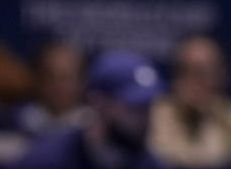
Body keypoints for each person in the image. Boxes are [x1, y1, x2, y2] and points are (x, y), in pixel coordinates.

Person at [16, 49, 168, 169]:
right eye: (134, 107)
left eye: (148, 106)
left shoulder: (151, 164)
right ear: (97, 102)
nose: (145, 118)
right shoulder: (43, 161)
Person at [148, 35, 231, 168]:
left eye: (204, 71)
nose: (196, 80)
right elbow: (161, 156)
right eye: (186, 70)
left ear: (221, 74)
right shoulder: (155, 114)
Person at [18, 40, 90, 136]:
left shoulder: (92, 126)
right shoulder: (19, 121)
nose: (57, 85)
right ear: (38, 79)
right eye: (50, 77)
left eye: (65, 77)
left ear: (81, 82)